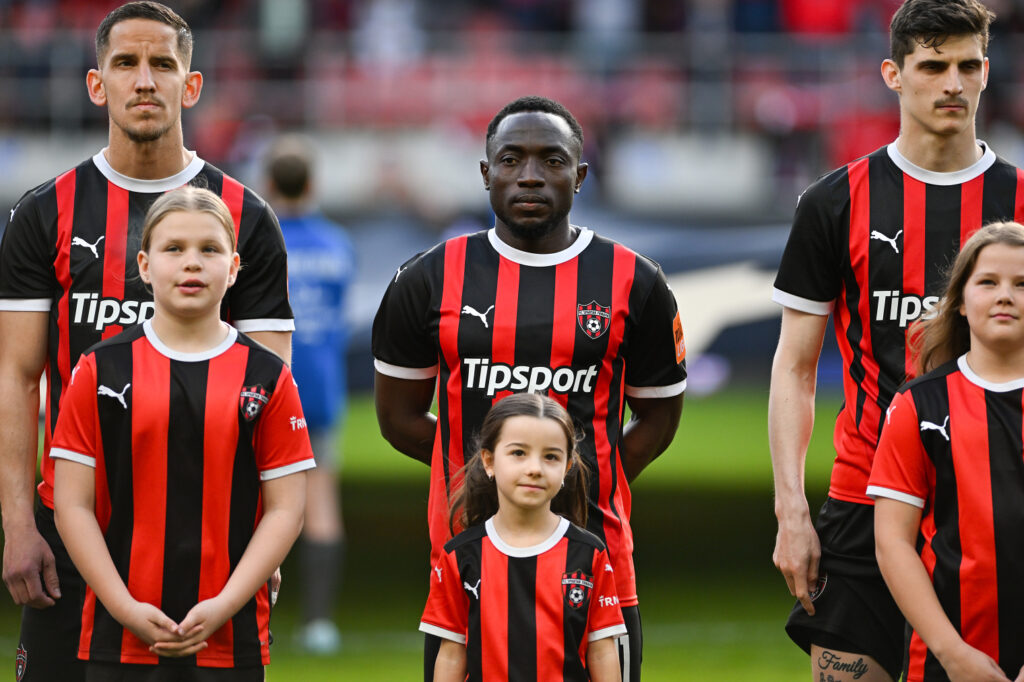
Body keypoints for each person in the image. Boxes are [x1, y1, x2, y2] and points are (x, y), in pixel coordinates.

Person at [0, 4, 294, 680]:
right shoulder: (44, 213)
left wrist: (261, 544)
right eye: (125, 63)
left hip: (211, 534)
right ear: (96, 83)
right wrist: (17, 522)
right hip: (73, 525)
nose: (143, 80)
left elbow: (268, 390)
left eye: (162, 64)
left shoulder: (247, 219)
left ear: (190, 85)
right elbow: (16, 376)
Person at [373, 95, 686, 682]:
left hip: (599, 566)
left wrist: (583, 478)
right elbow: (398, 419)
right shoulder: (426, 278)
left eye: (553, 160)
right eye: (512, 159)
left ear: (581, 175)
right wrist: (478, 477)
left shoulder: (635, 281)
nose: (531, 175)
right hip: (465, 568)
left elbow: (660, 418)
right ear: (486, 172)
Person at [768, 1, 1023, 680]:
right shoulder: (834, 202)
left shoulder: (1020, 201)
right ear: (893, 74)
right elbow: (795, 367)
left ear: (987, 71)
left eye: (969, 66)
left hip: (996, 500)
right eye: (933, 66)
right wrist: (791, 509)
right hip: (863, 495)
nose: (954, 84)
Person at [51, 186, 312, 680]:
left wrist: (225, 605)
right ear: (145, 265)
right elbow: (72, 506)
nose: (192, 262)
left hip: (229, 639)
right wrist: (125, 608)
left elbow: (287, 510)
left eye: (209, 249)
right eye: (174, 248)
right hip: (118, 638)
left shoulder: (268, 377)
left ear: (233, 268)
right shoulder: (99, 369)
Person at [870, 221, 1024, 682]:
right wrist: (953, 655)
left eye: (1022, 284)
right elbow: (893, 542)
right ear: (959, 300)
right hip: (945, 662)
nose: (1005, 295)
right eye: (988, 282)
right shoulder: (917, 405)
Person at [421, 392, 625, 682]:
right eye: (518, 453)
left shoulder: (589, 554)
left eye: (551, 456)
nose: (534, 469)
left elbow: (602, 651)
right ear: (489, 461)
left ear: (567, 468)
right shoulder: (460, 556)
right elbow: (452, 653)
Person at [264, 135, 355, 654]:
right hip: (319, 386)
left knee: (250, 503)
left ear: (269, 183)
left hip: (265, 388)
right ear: (313, 184)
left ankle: (250, 617)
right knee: (321, 504)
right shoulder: (338, 244)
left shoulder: (260, 239)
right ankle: (319, 623)